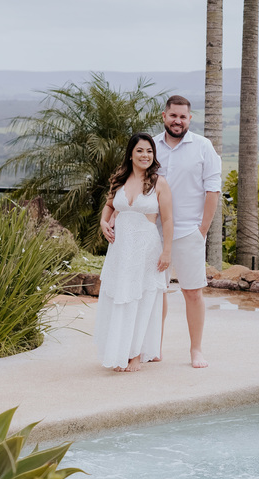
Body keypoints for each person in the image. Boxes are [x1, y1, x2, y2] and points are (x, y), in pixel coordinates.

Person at [95, 132, 174, 372]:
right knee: (121, 296)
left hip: (147, 248)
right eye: (140, 150)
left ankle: (136, 355)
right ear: (131, 154)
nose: (145, 155)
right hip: (120, 249)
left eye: (149, 151)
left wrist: (167, 252)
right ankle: (119, 351)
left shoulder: (159, 183)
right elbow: (109, 206)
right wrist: (103, 222)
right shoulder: (119, 179)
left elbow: (168, 220)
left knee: (142, 298)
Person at [155, 95, 221, 368]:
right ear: (164, 116)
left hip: (188, 232)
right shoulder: (150, 146)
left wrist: (201, 230)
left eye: (183, 117)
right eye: (173, 115)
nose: (178, 121)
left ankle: (196, 350)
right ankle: (153, 347)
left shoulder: (204, 147)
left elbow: (213, 191)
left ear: (190, 119)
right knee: (155, 293)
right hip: (154, 232)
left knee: (192, 292)